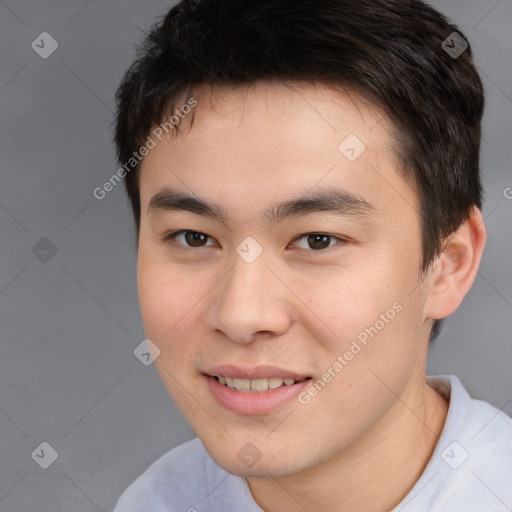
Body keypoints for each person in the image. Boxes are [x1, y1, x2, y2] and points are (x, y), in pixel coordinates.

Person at [111, 0, 512, 510]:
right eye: (194, 237)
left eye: (317, 240)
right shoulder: (156, 501)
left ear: (446, 265)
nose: (241, 315)